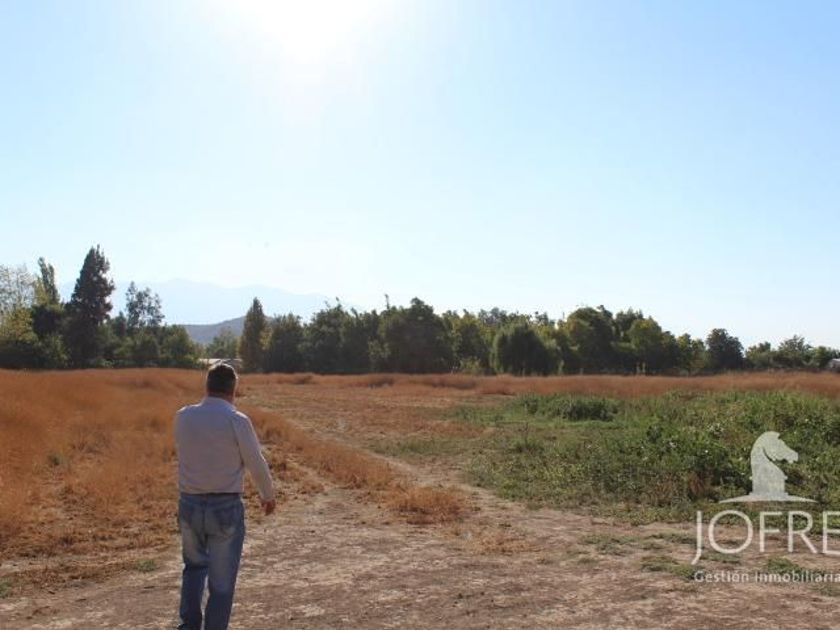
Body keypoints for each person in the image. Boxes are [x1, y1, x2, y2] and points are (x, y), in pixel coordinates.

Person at [174, 362, 275, 630]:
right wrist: (267, 495)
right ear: (233, 389)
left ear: (207, 386)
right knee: (221, 582)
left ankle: (189, 626)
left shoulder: (183, 416)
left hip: (189, 503)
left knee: (193, 568)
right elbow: (256, 462)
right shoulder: (237, 420)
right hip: (225, 507)